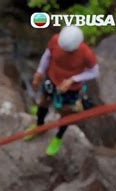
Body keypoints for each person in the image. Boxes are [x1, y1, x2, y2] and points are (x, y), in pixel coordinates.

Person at [25, 25, 99, 156]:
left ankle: (58, 137)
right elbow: (47, 56)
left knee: (66, 113)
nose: (65, 51)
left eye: (68, 51)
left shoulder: (86, 54)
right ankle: (40, 126)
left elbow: (94, 72)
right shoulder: (56, 40)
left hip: (71, 89)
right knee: (43, 102)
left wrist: (73, 79)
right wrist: (39, 72)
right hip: (52, 79)